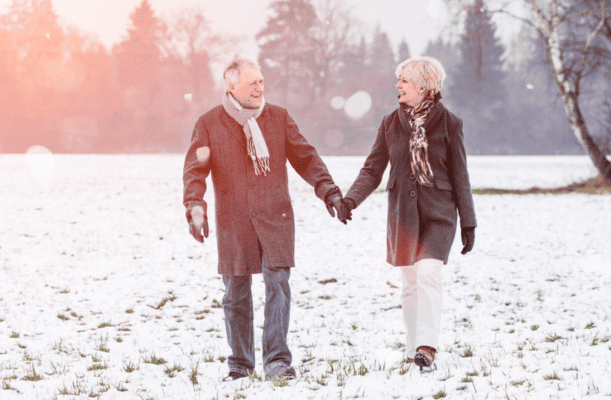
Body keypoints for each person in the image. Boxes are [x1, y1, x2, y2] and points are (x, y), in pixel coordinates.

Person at [183, 57, 348, 381]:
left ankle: (276, 362)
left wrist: (328, 190)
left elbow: (306, 157)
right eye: (251, 83)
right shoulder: (209, 123)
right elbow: (195, 171)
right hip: (234, 221)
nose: (259, 88)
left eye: (260, 81)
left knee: (278, 286)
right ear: (231, 86)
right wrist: (195, 207)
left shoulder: (278, 118)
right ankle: (240, 364)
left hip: (276, 217)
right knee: (236, 294)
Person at [343, 56, 476, 372]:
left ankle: (427, 346)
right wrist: (350, 200)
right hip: (403, 213)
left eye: (404, 80)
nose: (398, 85)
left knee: (429, 271)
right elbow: (373, 168)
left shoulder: (450, 124)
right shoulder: (391, 123)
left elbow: (460, 175)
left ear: (423, 85)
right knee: (411, 281)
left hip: (440, 213)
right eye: (398, 80)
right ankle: (413, 345)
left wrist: (469, 222)